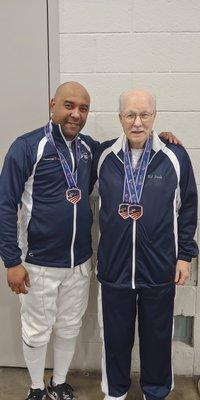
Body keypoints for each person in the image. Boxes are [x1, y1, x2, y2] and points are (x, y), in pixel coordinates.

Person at [0, 81, 179, 400]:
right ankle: (37, 388)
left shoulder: (88, 149)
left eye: (83, 108)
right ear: (52, 104)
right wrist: (12, 261)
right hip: (39, 261)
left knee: (69, 327)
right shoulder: (27, 147)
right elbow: (5, 203)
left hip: (81, 261)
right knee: (37, 329)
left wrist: (160, 140)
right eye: (69, 105)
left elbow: (126, 146)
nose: (76, 114)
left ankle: (59, 382)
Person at [92, 89, 198, 400]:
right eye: (130, 115)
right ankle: (115, 393)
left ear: (155, 116)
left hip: (159, 268)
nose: (137, 122)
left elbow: (188, 207)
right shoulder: (103, 156)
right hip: (114, 269)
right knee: (115, 338)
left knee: (157, 337)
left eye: (145, 115)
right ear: (119, 117)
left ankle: (156, 392)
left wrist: (185, 256)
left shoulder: (175, 157)